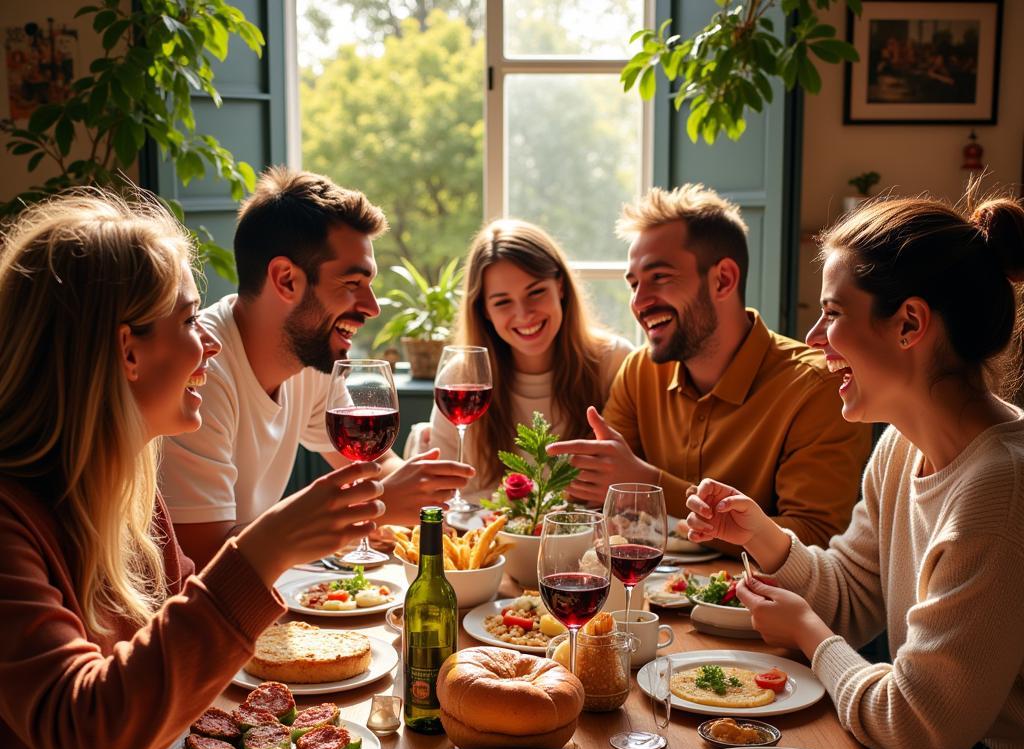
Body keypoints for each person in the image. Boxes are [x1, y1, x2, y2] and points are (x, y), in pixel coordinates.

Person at [0, 188, 385, 749]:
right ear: (126, 350)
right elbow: (97, 735)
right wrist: (258, 556)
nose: (209, 344)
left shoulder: (124, 493)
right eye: (186, 322)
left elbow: (193, 655)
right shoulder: (9, 522)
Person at [684, 191, 1024, 749]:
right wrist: (768, 538)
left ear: (909, 324)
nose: (813, 337)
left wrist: (810, 636)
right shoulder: (902, 446)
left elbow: (914, 725)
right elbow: (854, 595)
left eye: (833, 314)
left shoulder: (1000, 484)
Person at [159, 167, 474, 569]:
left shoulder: (310, 356)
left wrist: (428, 503)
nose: (372, 307)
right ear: (286, 280)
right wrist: (376, 505)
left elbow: (371, 467)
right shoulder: (202, 374)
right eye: (351, 284)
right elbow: (202, 560)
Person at [547, 184, 872, 548]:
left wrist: (650, 484)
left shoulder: (815, 387)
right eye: (634, 284)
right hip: (652, 594)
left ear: (723, 280)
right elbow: (611, 504)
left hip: (753, 603)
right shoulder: (640, 372)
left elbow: (815, 539)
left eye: (660, 278)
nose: (639, 302)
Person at [422, 219, 634, 502]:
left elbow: (631, 487)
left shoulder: (615, 361)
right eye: (502, 302)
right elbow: (440, 493)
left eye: (536, 292)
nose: (524, 315)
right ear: (484, 309)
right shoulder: (462, 377)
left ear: (560, 286)